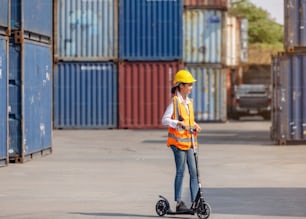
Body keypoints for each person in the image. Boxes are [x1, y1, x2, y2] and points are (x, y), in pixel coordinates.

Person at [162, 69, 201, 212]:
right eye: (189, 85)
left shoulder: (189, 102)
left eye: (191, 84)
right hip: (178, 143)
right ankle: (178, 203)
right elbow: (164, 120)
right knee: (180, 171)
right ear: (181, 86)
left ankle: (196, 202)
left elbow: (189, 119)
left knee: (194, 172)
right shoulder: (175, 102)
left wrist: (195, 124)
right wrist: (177, 123)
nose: (191, 87)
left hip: (189, 142)